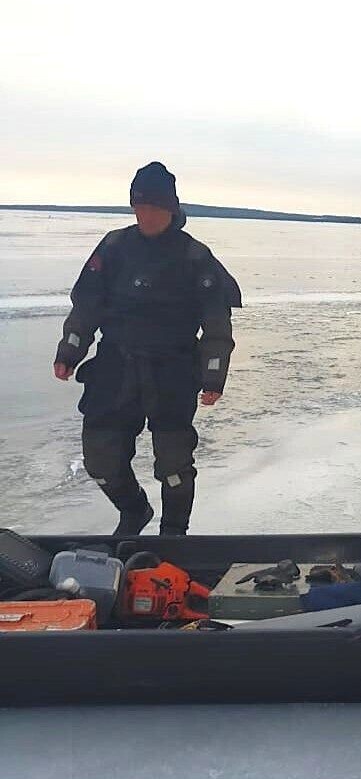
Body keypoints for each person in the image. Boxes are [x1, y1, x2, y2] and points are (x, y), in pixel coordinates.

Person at [53, 162, 241, 536]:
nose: (147, 215)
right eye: (140, 206)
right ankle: (134, 511)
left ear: (171, 208)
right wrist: (69, 351)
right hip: (114, 369)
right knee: (100, 460)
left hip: (172, 371)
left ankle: (174, 534)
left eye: (155, 207)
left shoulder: (194, 256)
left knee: (173, 466)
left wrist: (214, 373)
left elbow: (217, 324)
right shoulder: (114, 246)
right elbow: (87, 304)